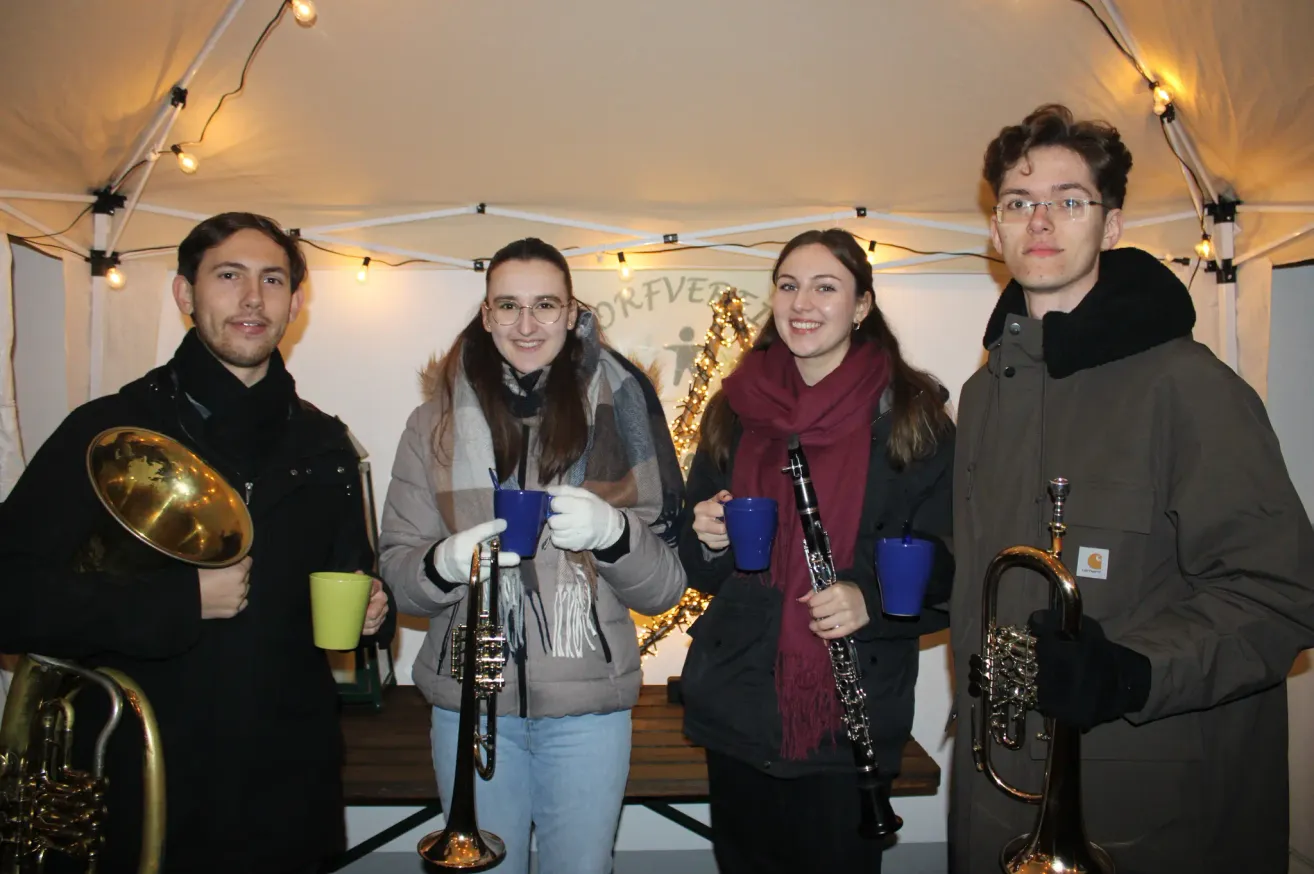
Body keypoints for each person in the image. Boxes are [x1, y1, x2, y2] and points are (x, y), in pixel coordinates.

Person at [947, 103, 1314, 873]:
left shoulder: (1188, 387)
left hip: (1145, 805)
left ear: (1111, 226)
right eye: (1019, 203)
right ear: (995, 229)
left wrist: (1131, 671)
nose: (1040, 221)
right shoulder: (985, 394)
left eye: (1068, 201)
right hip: (1002, 793)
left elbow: (1283, 594)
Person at [0, 212, 393, 874]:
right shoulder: (108, 433)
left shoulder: (327, 445)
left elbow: (348, 591)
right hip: (141, 796)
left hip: (288, 803)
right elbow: (10, 597)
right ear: (185, 294)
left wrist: (372, 616)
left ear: (295, 303)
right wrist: (179, 600)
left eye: (272, 280)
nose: (251, 298)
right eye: (228, 276)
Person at [377, 237, 687, 874]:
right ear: (485, 316)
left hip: (589, 710)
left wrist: (616, 536)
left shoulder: (623, 415)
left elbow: (663, 590)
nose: (526, 324)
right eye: (508, 306)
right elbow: (399, 582)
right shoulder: (430, 424)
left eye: (545, 305)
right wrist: (441, 563)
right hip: (468, 697)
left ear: (573, 312)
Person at [678, 228, 956, 873]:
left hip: (850, 711)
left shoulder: (913, 417)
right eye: (788, 285)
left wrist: (871, 598)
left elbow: (955, 562)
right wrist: (706, 537)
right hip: (739, 708)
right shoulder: (733, 408)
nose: (803, 302)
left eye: (826, 287)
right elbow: (702, 571)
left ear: (861, 306)